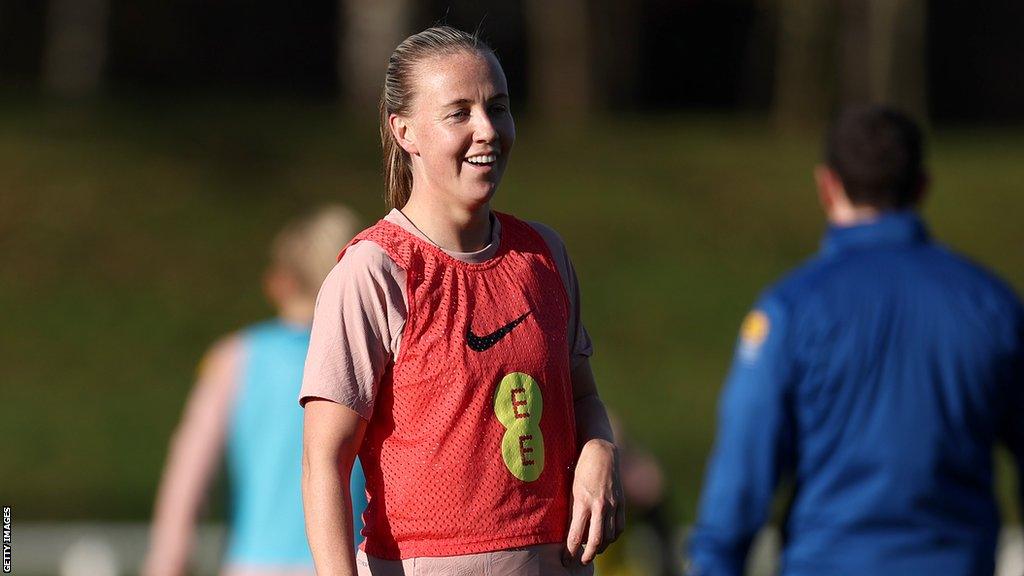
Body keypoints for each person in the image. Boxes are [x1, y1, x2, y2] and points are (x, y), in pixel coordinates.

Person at [300, 26, 623, 576]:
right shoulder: (375, 271)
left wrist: (601, 451)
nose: (488, 130)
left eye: (497, 107)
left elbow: (583, 398)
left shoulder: (544, 254)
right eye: (459, 113)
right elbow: (323, 462)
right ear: (404, 131)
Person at [687, 105, 1024, 576]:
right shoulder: (993, 307)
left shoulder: (791, 311)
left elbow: (742, 473)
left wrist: (714, 563)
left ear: (827, 186)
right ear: (923, 187)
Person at [143, 205, 366, 576]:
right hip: (349, 561)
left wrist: (168, 560)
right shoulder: (369, 356)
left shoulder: (236, 358)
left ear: (281, 281)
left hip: (257, 563)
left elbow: (188, 473)